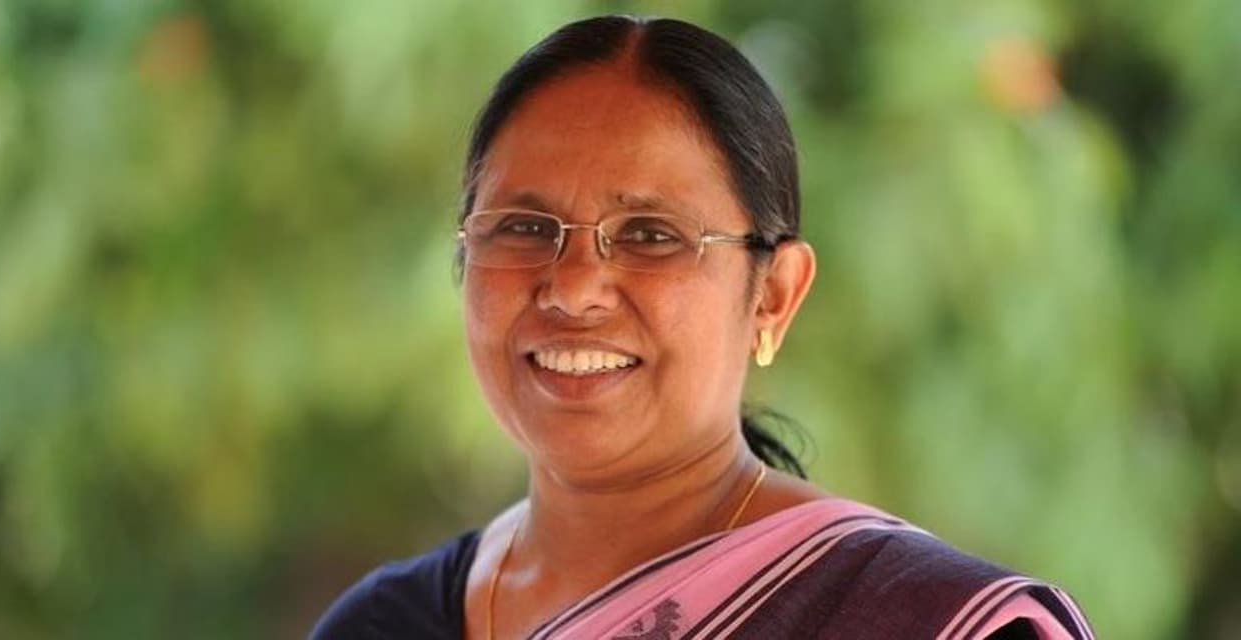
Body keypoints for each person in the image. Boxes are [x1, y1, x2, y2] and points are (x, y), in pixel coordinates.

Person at [310, 15, 1095, 640]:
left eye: (651, 235)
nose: (575, 289)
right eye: (523, 227)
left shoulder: (909, 618)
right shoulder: (382, 623)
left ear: (774, 295)